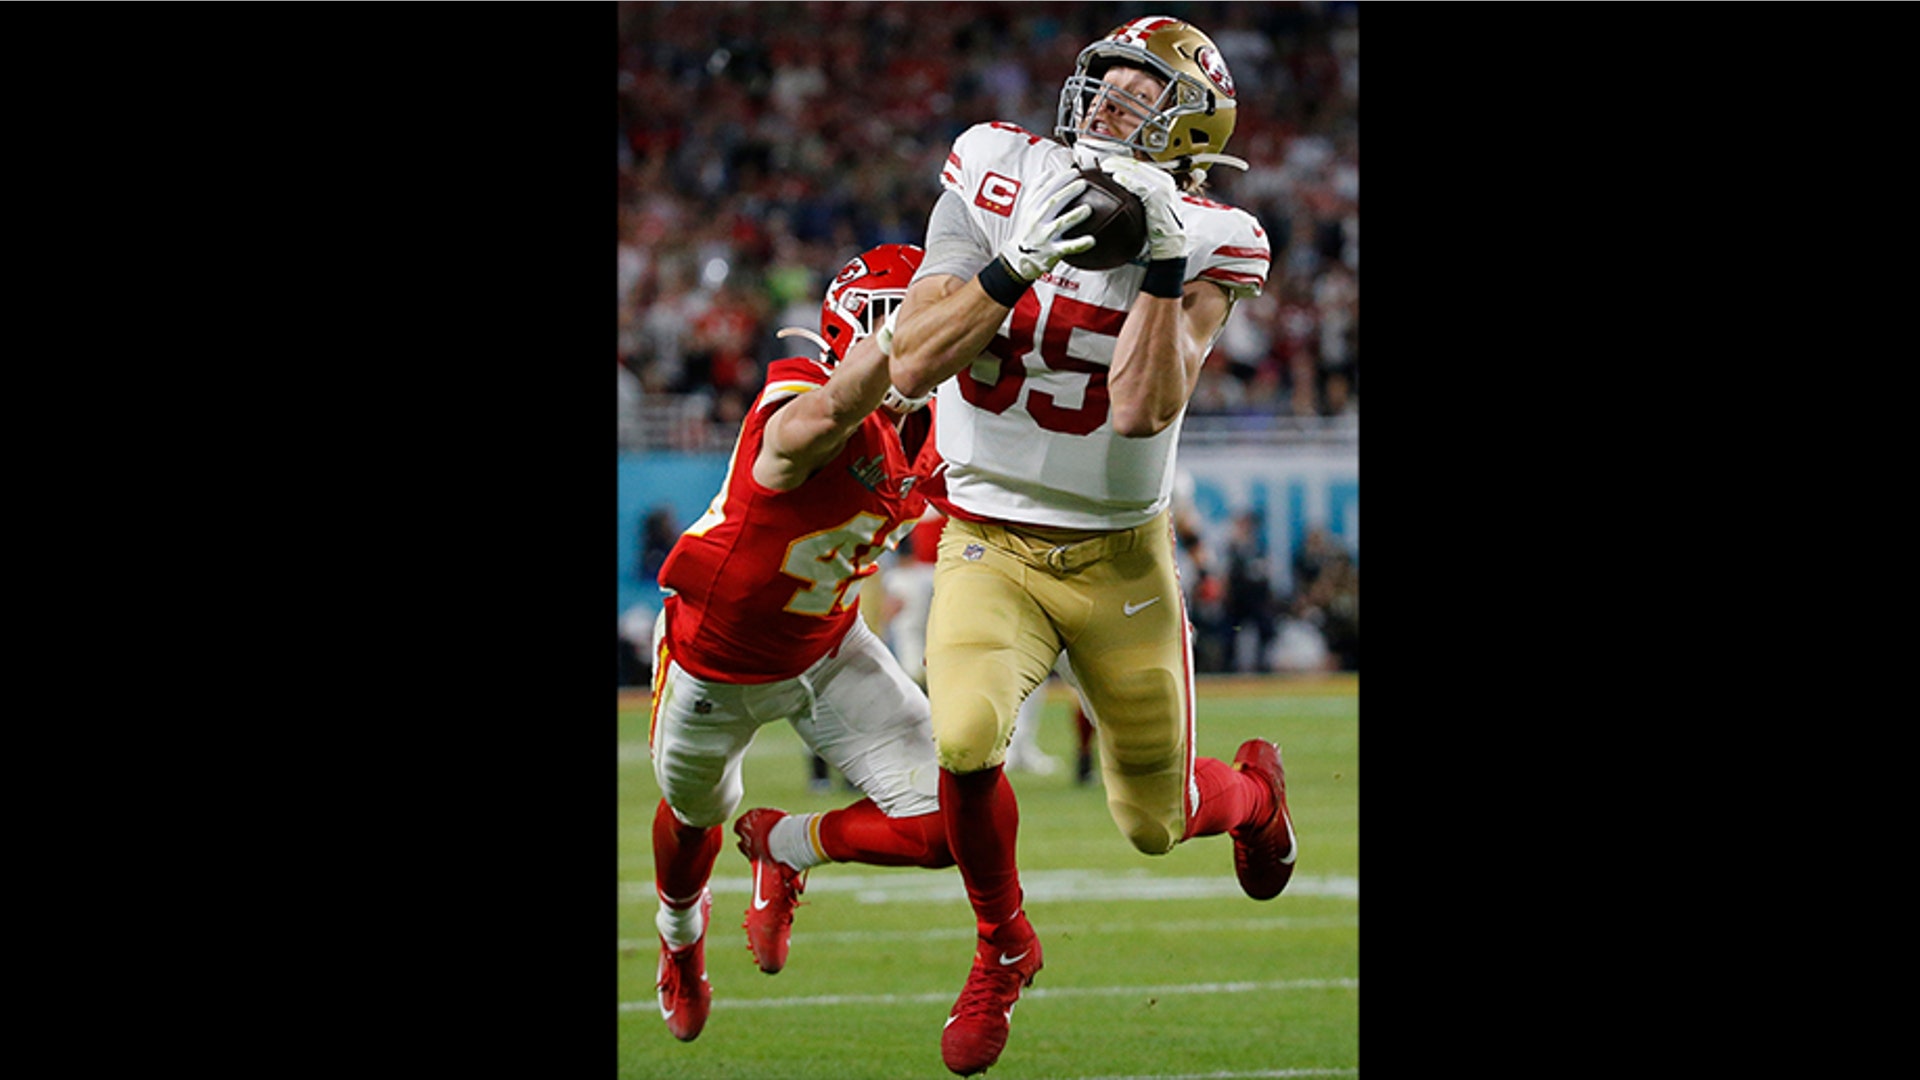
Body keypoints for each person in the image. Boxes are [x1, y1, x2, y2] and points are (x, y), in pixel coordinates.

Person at [886, 17, 1297, 1076]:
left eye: (1140, 90)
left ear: (1190, 122)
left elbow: (1139, 409)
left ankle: (1253, 797)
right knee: (967, 741)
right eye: (1104, 80)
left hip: (1118, 559)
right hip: (986, 539)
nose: (1109, 100)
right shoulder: (994, 167)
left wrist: (1161, 265)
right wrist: (1015, 264)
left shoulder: (1215, 235)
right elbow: (913, 363)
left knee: (1154, 823)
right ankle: (1000, 947)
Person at [646, 244, 959, 1044]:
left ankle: (784, 846)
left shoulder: (937, 426)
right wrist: (891, 352)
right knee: (694, 813)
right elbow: (810, 427)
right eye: (907, 318)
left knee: (949, 822)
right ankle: (680, 941)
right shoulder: (803, 392)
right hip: (715, 660)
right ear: (856, 330)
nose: (930, 334)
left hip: (830, 650)